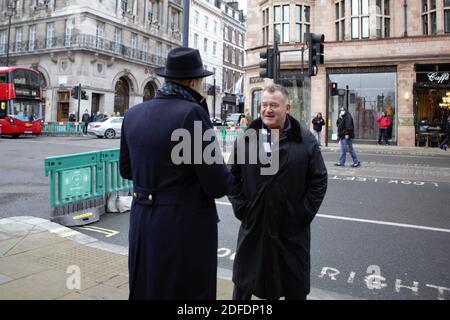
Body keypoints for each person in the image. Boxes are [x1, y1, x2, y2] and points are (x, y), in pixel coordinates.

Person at [119, 47, 232, 300]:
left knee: (146, 287)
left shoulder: (133, 113)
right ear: (193, 82)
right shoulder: (192, 113)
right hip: (182, 226)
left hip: (141, 221)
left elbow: (126, 170)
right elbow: (217, 185)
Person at [227, 84, 328, 300]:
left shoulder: (306, 139)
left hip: (290, 231)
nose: (267, 110)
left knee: (293, 287)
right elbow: (232, 176)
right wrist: (242, 209)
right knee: (245, 286)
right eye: (264, 105)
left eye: (274, 105)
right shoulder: (247, 138)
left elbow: (318, 180)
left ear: (287, 107)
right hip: (255, 227)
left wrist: (303, 213)